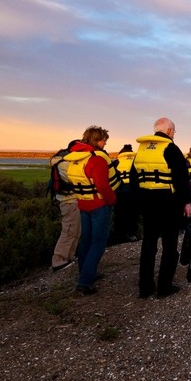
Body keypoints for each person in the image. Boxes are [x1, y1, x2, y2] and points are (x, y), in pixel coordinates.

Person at [130, 117, 191, 299]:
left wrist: (139, 201)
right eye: (174, 131)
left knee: (148, 244)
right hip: (169, 204)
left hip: (147, 204)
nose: (174, 134)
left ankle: (145, 287)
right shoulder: (170, 148)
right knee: (169, 245)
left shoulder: (141, 150)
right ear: (170, 131)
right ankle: (164, 287)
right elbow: (182, 178)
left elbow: (134, 179)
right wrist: (186, 202)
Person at [64, 126, 119, 295]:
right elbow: (103, 185)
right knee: (98, 243)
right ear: (97, 140)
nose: (105, 143)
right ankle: (85, 282)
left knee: (86, 240)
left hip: (83, 204)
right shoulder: (97, 160)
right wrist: (113, 200)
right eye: (104, 140)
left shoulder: (77, 158)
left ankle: (86, 273)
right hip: (99, 205)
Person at [50, 139, 81, 272]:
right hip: (70, 201)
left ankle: (68, 258)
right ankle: (58, 261)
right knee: (69, 231)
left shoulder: (61, 161)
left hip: (70, 201)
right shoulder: (65, 164)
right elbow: (77, 179)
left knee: (74, 231)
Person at [112, 144, 139, 242]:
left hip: (120, 192)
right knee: (133, 214)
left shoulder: (116, 162)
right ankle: (133, 234)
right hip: (133, 192)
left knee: (119, 215)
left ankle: (119, 236)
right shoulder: (135, 161)